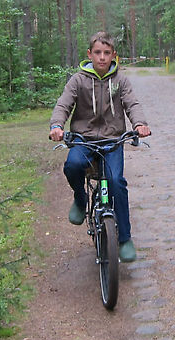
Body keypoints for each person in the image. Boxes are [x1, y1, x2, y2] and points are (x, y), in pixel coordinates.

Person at [49, 31, 151, 262]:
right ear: (90, 54)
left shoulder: (121, 80)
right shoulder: (78, 80)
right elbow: (63, 104)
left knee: (116, 182)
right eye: (97, 52)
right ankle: (80, 197)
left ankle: (124, 238)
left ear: (114, 55)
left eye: (107, 53)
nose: (102, 57)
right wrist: (57, 125)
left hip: (113, 140)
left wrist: (140, 124)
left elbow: (132, 103)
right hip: (83, 138)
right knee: (73, 165)